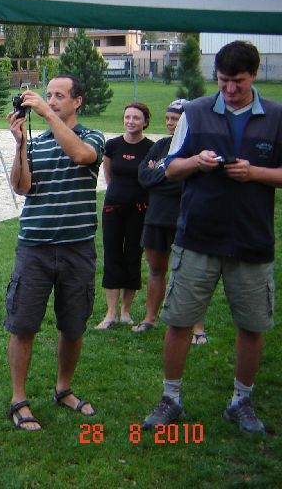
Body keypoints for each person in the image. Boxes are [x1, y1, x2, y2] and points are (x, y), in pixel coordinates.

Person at [142, 41, 282, 434]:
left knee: (252, 325)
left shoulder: (276, 117)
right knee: (179, 320)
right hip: (197, 238)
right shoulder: (196, 112)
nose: (230, 90)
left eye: (238, 82)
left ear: (254, 75)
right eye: (223, 81)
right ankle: (170, 398)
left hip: (251, 240)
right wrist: (196, 162)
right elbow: (170, 168)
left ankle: (241, 400)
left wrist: (255, 173)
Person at [4, 75, 105, 431]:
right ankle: (19, 399)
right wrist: (20, 145)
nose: (51, 101)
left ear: (77, 102)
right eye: (49, 95)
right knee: (23, 325)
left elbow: (81, 156)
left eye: (59, 96)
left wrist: (47, 115)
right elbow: (21, 186)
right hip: (35, 248)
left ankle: (63, 389)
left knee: (73, 325)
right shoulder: (38, 142)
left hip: (77, 247)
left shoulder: (92, 137)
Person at [132, 99, 207, 342]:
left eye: (175, 119)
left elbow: (185, 184)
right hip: (156, 217)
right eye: (167, 118)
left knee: (189, 274)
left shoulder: (196, 150)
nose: (169, 123)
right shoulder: (162, 145)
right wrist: (167, 175)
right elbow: (143, 176)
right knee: (156, 270)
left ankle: (197, 328)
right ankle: (150, 318)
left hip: (185, 219)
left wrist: (161, 174)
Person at [95, 103, 154, 329]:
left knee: (133, 255)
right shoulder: (112, 145)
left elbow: (151, 177)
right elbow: (108, 175)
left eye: (136, 118)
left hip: (139, 209)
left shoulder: (151, 148)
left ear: (145, 122)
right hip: (113, 208)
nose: (131, 121)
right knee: (112, 256)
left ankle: (125, 311)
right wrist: (118, 194)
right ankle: (110, 313)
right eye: (127, 117)